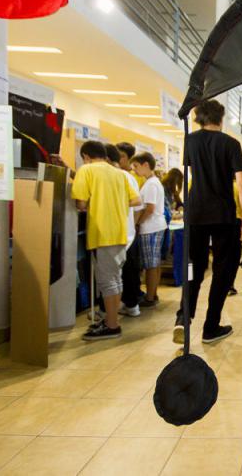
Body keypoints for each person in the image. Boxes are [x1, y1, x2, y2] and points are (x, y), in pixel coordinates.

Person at [176, 99, 242, 345]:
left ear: (199, 117)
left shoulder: (190, 141)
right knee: (223, 270)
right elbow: (241, 183)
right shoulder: (230, 143)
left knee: (192, 266)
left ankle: (183, 317)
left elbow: (189, 174)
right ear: (221, 118)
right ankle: (210, 326)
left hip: (196, 214)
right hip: (223, 215)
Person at [72, 141, 140, 341]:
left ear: (86, 156)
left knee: (107, 282)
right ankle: (111, 320)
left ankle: (112, 325)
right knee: (115, 279)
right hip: (120, 232)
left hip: (102, 232)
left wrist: (97, 204)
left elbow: (81, 203)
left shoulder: (86, 170)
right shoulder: (120, 174)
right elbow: (135, 200)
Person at [105, 143, 143, 317]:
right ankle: (130, 305)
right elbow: (137, 205)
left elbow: (138, 204)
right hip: (128, 232)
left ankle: (110, 314)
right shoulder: (128, 177)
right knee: (128, 273)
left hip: (115, 233)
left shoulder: (117, 176)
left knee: (114, 276)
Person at [130, 152, 168, 308]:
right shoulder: (152, 182)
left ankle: (150, 297)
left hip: (150, 228)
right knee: (154, 263)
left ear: (146, 165)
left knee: (150, 265)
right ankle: (153, 294)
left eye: (136, 166)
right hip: (155, 226)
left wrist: (137, 223)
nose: (134, 170)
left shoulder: (151, 184)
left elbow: (150, 208)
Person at [115, 141, 145, 307]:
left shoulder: (132, 178)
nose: (118, 159)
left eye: (121, 156)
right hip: (128, 229)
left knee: (129, 269)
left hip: (128, 230)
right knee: (128, 269)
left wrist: (134, 224)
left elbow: (138, 205)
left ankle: (131, 301)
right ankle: (131, 301)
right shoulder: (124, 176)